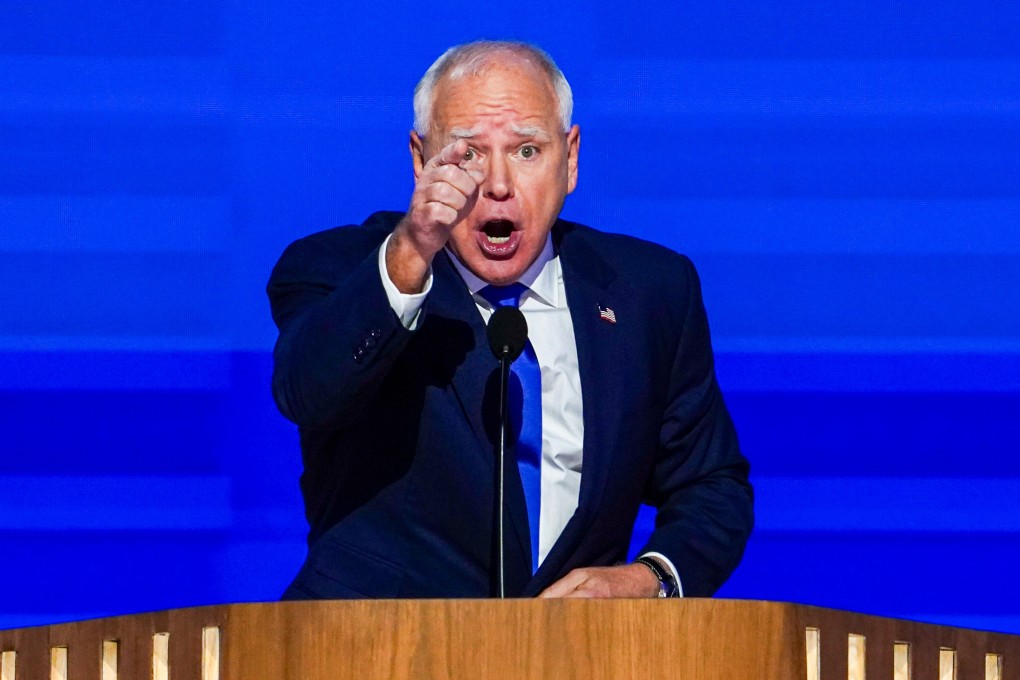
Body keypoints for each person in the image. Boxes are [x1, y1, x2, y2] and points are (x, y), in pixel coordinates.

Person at [268, 41, 753, 599]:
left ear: (569, 160)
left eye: (527, 151)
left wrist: (650, 580)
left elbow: (711, 486)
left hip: (577, 659)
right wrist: (410, 253)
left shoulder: (651, 291)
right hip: (382, 651)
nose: (497, 185)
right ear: (421, 161)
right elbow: (308, 392)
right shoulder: (340, 270)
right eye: (468, 154)